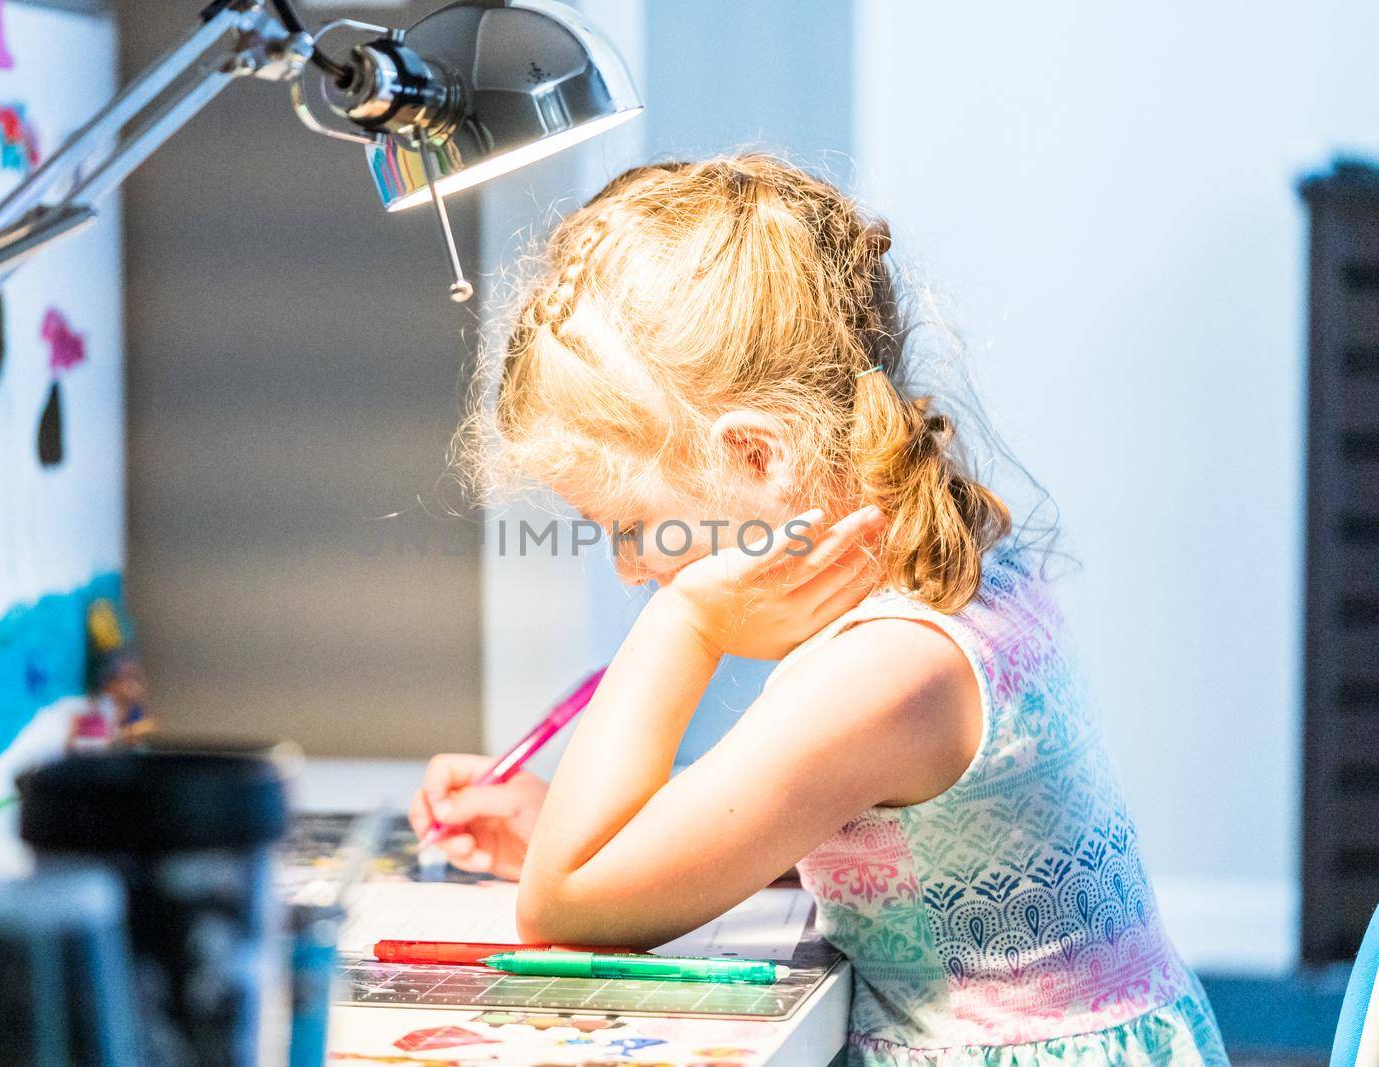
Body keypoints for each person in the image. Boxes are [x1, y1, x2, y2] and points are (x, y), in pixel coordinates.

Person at [411, 156, 1229, 1065]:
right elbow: (816, 836)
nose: (631, 568)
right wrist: (588, 834)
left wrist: (683, 626)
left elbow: (562, 904)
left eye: (634, 525)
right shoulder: (948, 570)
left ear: (757, 457)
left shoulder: (886, 674)